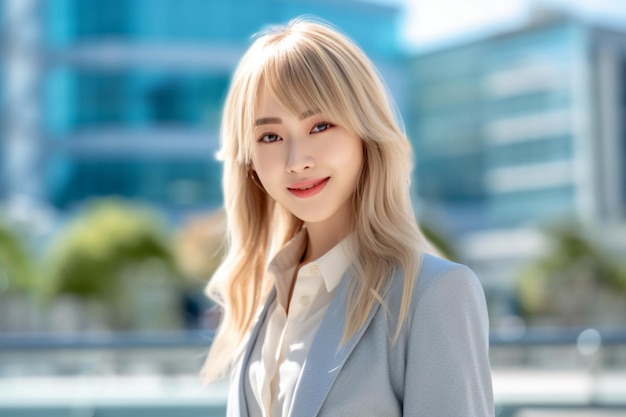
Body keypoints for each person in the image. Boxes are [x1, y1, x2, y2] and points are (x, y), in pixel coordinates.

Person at [202, 16, 494, 417]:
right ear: (249, 161)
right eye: (270, 136)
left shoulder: (433, 294)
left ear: (365, 136)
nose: (297, 160)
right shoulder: (259, 300)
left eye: (320, 125)